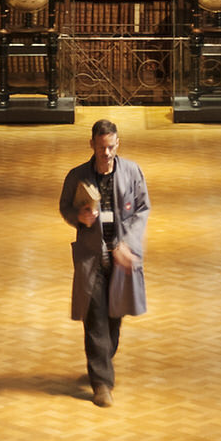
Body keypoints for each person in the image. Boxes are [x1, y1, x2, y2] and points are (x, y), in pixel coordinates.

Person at [58, 118, 148, 407]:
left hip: (121, 259)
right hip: (91, 258)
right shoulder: (77, 176)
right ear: (92, 145)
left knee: (113, 319)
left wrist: (128, 245)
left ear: (117, 143)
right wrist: (78, 218)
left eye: (110, 147)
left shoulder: (132, 172)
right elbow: (65, 208)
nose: (106, 154)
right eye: (101, 148)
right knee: (95, 318)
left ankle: (103, 360)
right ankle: (101, 383)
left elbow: (142, 210)